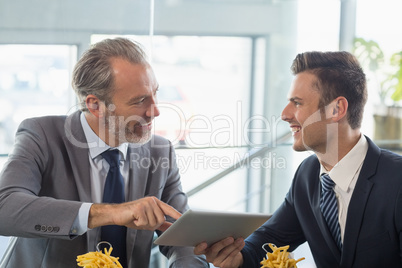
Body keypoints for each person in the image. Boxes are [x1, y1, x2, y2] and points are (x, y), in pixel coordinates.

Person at [0, 37, 208, 268]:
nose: (156, 111)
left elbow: (184, 238)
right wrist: (110, 213)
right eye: (140, 101)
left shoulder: (161, 151)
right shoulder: (42, 135)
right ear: (95, 105)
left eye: (155, 94)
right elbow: (5, 208)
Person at [194, 51, 402, 267]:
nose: (284, 114)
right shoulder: (308, 174)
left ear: (336, 109)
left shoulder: (397, 182)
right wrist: (237, 257)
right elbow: (269, 239)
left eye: (297, 103)